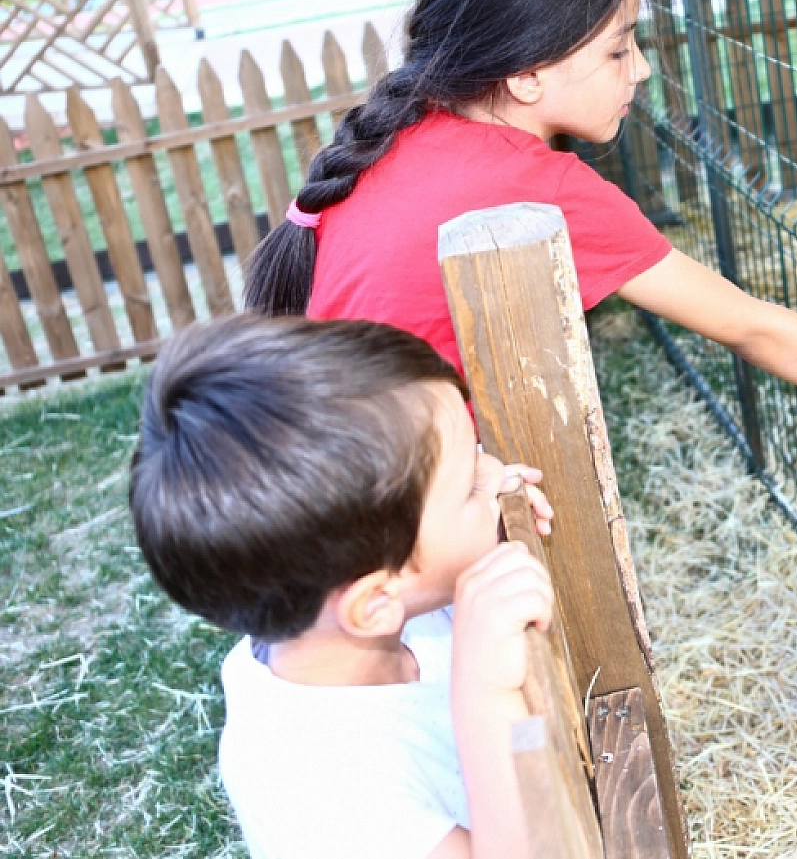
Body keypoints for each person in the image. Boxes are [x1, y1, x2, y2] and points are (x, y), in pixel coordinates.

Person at [243, 0, 797, 451]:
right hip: (397, 496)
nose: (639, 68)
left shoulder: (403, 130)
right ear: (530, 74)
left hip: (321, 462)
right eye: (617, 48)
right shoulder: (538, 187)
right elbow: (747, 323)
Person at [129, 315, 563, 859]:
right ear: (375, 603)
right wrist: (484, 696)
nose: (494, 470)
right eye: (470, 487)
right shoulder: (323, 801)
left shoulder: (350, 604)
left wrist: (490, 521)